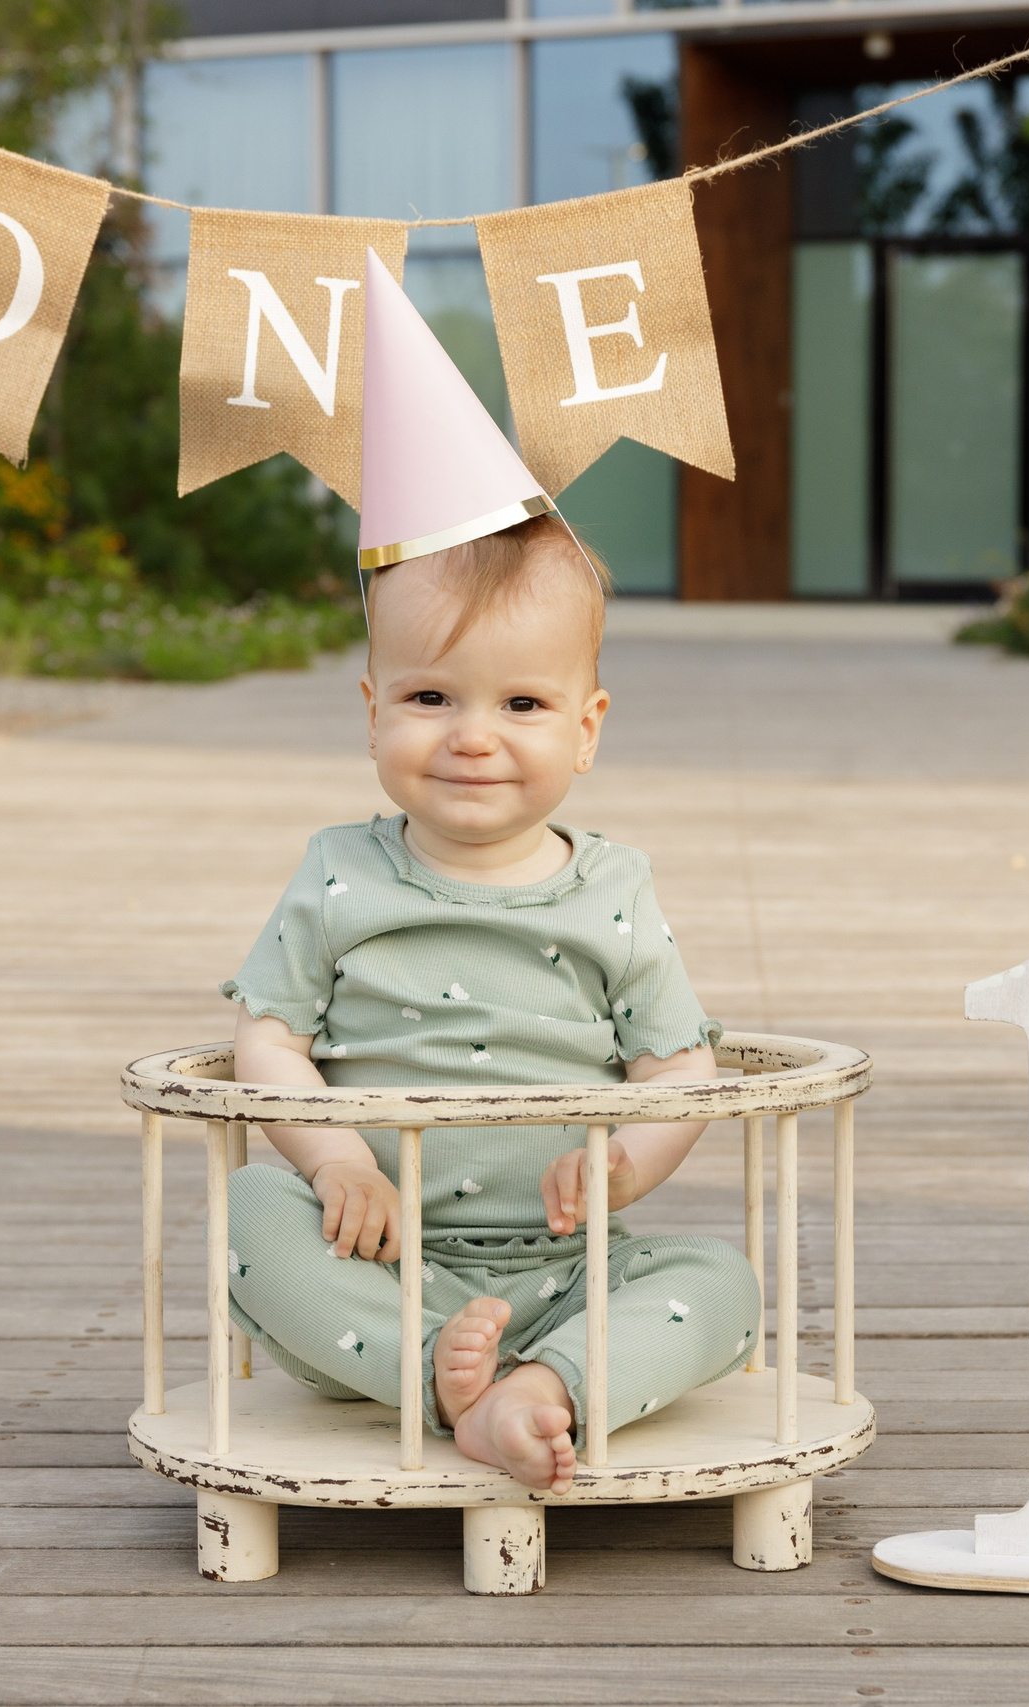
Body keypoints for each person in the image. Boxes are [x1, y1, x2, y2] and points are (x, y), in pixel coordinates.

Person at [214, 252, 759, 1494]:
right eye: (428, 697)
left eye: (520, 701)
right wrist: (336, 1161)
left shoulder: (613, 889)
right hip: (382, 1257)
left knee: (724, 1284)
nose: (471, 734)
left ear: (587, 726)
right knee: (249, 1219)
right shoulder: (341, 874)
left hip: (573, 1262)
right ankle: (440, 1379)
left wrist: (626, 1160)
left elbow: (677, 1065)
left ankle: (543, 1381)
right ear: (369, 711)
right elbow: (269, 1038)